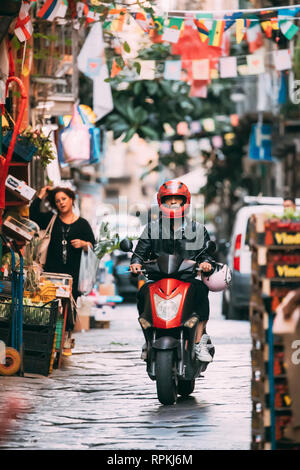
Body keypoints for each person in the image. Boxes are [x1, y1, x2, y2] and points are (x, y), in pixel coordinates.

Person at [130, 180, 216, 363]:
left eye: (178, 200)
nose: (174, 204)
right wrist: (136, 262)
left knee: (201, 290)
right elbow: (139, 252)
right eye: (170, 200)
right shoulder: (152, 228)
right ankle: (148, 339)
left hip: (186, 281)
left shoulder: (197, 229)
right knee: (143, 292)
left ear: (186, 202)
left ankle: (200, 340)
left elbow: (206, 255)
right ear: (162, 202)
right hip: (158, 280)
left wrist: (207, 263)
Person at [29, 185, 95, 303]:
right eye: (57, 201)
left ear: (71, 199)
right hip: (50, 275)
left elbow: (93, 247)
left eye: (64, 199)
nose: (61, 203)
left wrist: (83, 244)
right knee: (51, 308)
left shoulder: (82, 224)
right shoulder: (51, 219)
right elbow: (32, 215)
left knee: (69, 313)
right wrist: (41, 195)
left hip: (74, 277)